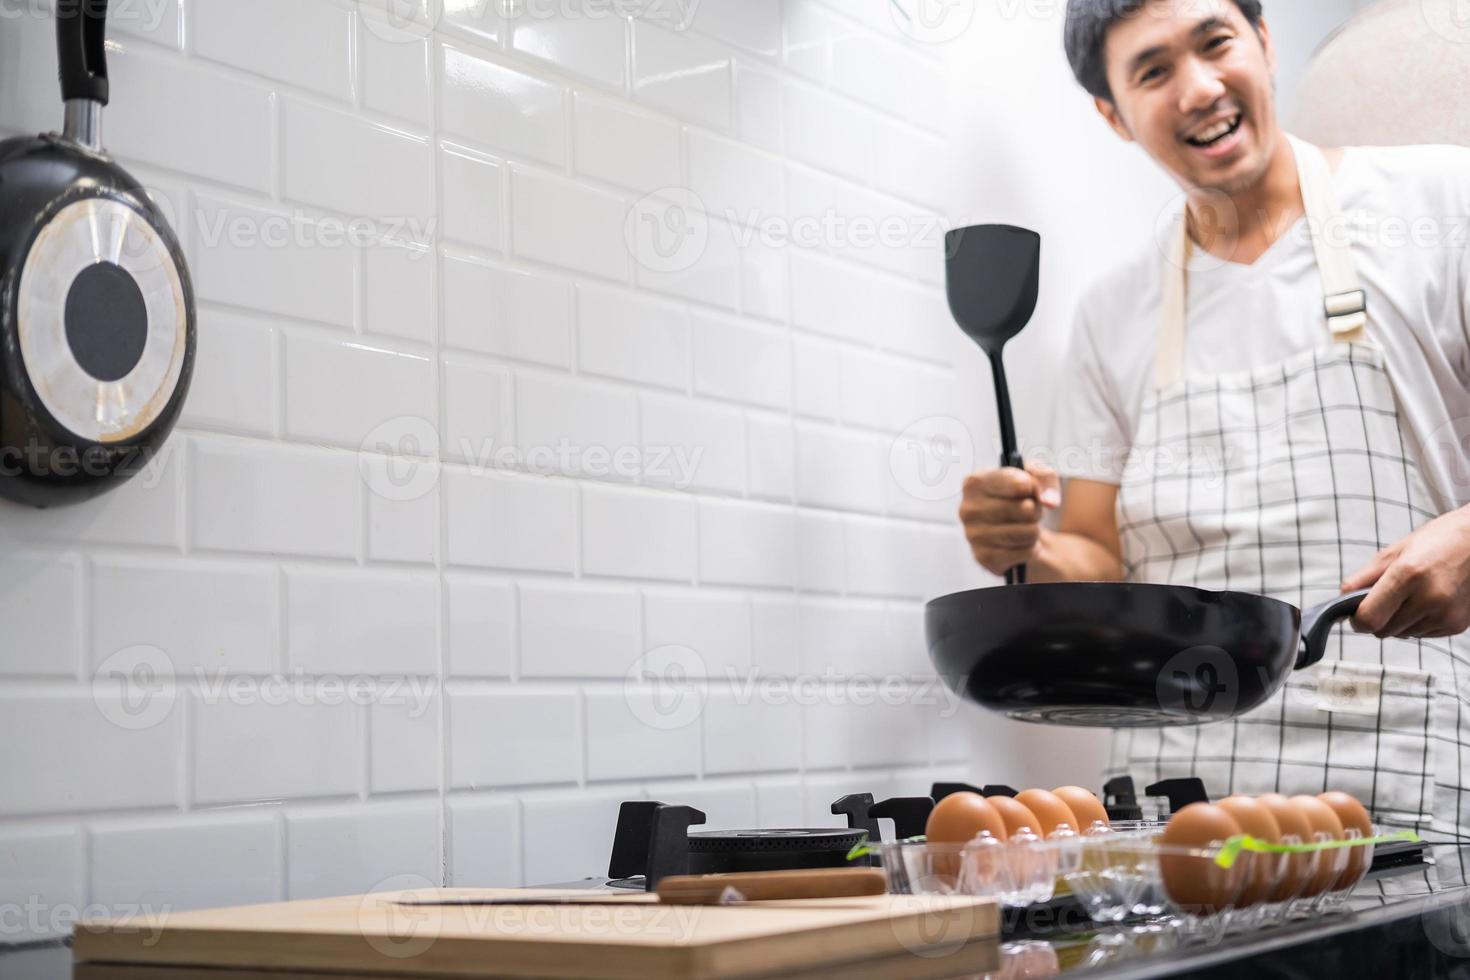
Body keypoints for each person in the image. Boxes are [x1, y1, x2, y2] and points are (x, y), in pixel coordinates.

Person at [959, 0, 1470, 886]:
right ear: (1113, 114)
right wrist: (1026, 546)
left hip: (1404, 790)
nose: (1199, 88)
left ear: (1265, 44)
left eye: (1215, 42)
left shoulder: (1437, 203)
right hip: (1181, 813)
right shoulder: (1114, 313)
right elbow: (1099, 557)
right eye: (1153, 71)